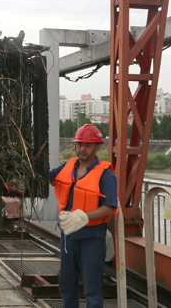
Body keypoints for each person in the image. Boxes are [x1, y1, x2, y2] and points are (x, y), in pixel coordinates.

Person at [49, 124, 119, 308]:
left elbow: (109, 208)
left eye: (87, 145)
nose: (82, 149)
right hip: (68, 237)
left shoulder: (106, 174)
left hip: (92, 238)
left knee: (92, 290)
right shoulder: (68, 166)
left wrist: (83, 217)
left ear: (98, 147)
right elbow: (46, 177)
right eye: (79, 144)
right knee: (67, 285)